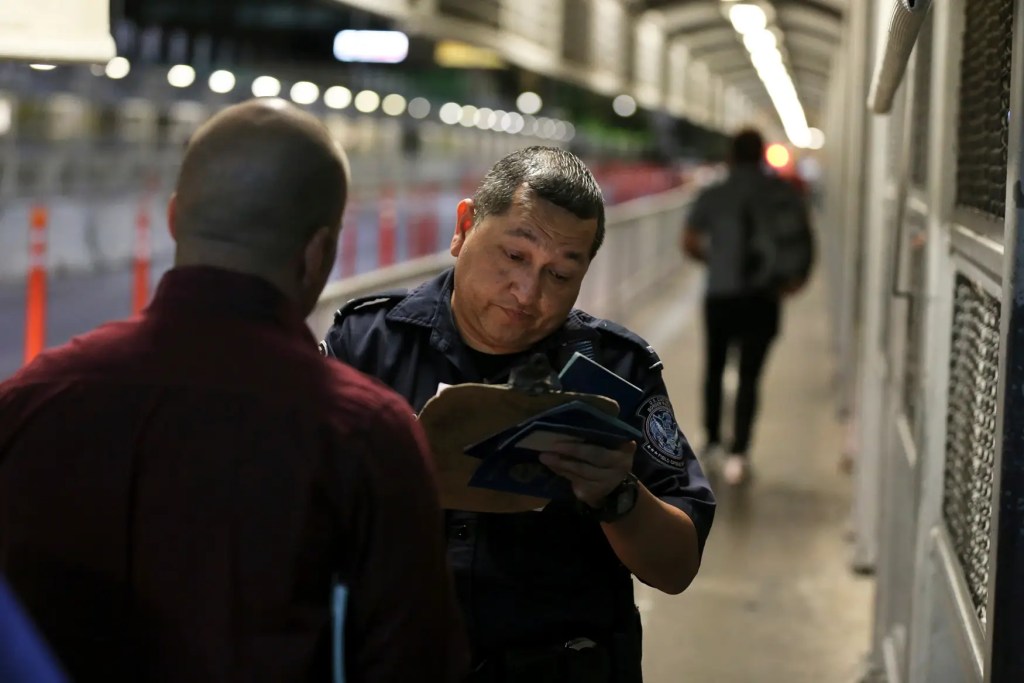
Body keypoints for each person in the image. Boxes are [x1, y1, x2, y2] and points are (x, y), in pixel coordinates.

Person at [0, 99, 467, 682]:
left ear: (174, 218)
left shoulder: (29, 398)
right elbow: (413, 663)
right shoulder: (366, 433)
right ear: (318, 251)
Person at [321, 146, 716, 682]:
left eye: (559, 275)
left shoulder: (618, 371)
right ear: (464, 228)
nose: (527, 294)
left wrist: (617, 497)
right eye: (513, 256)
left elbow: (676, 567)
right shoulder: (365, 348)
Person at [682, 128, 814, 486]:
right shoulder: (781, 191)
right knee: (750, 376)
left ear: (731, 155)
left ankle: (711, 441)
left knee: (715, 367)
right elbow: (802, 237)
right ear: (761, 155)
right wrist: (790, 281)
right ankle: (740, 451)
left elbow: (689, 242)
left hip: (721, 295)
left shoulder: (714, 193)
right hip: (763, 296)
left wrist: (718, 261)